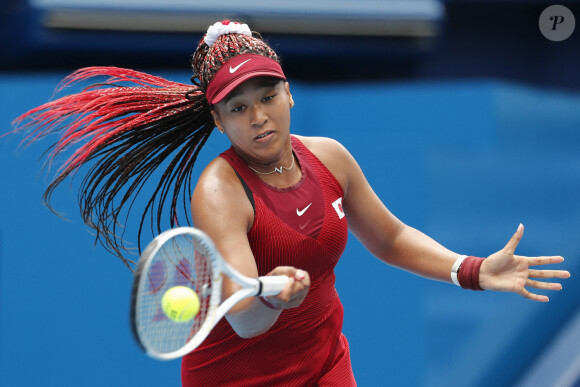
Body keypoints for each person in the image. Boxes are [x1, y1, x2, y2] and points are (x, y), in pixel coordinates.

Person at [13, 20, 570, 386]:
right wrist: (274, 298)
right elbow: (250, 321)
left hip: (326, 361)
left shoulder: (330, 158)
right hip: (240, 377)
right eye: (236, 108)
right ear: (218, 120)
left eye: (267, 96)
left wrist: (471, 270)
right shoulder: (219, 191)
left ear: (288, 91)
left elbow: (391, 237)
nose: (258, 117)